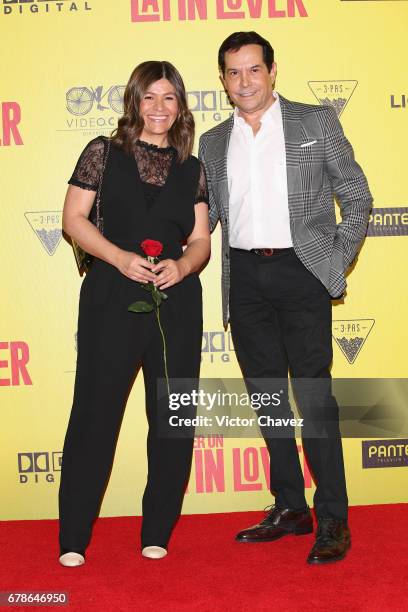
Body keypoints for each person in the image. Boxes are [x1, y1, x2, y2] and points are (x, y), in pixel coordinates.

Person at [199, 31, 372, 564]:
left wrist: (333, 260)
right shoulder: (211, 142)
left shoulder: (314, 122)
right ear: (224, 81)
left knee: (315, 399)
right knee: (269, 400)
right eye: (233, 72)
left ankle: (334, 518)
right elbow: (207, 220)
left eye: (254, 69)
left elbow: (357, 195)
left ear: (273, 71)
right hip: (246, 278)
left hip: (302, 274)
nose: (244, 81)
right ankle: (291, 507)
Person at [59, 61, 210, 566]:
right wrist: (119, 257)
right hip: (110, 298)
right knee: (94, 417)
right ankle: (74, 538)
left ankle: (157, 531)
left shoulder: (193, 167)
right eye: (150, 97)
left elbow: (201, 240)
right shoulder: (103, 152)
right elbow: (73, 219)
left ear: (181, 104)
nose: (159, 108)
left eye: (169, 98)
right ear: (134, 101)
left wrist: (184, 266)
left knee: (173, 418)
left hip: (177, 304)